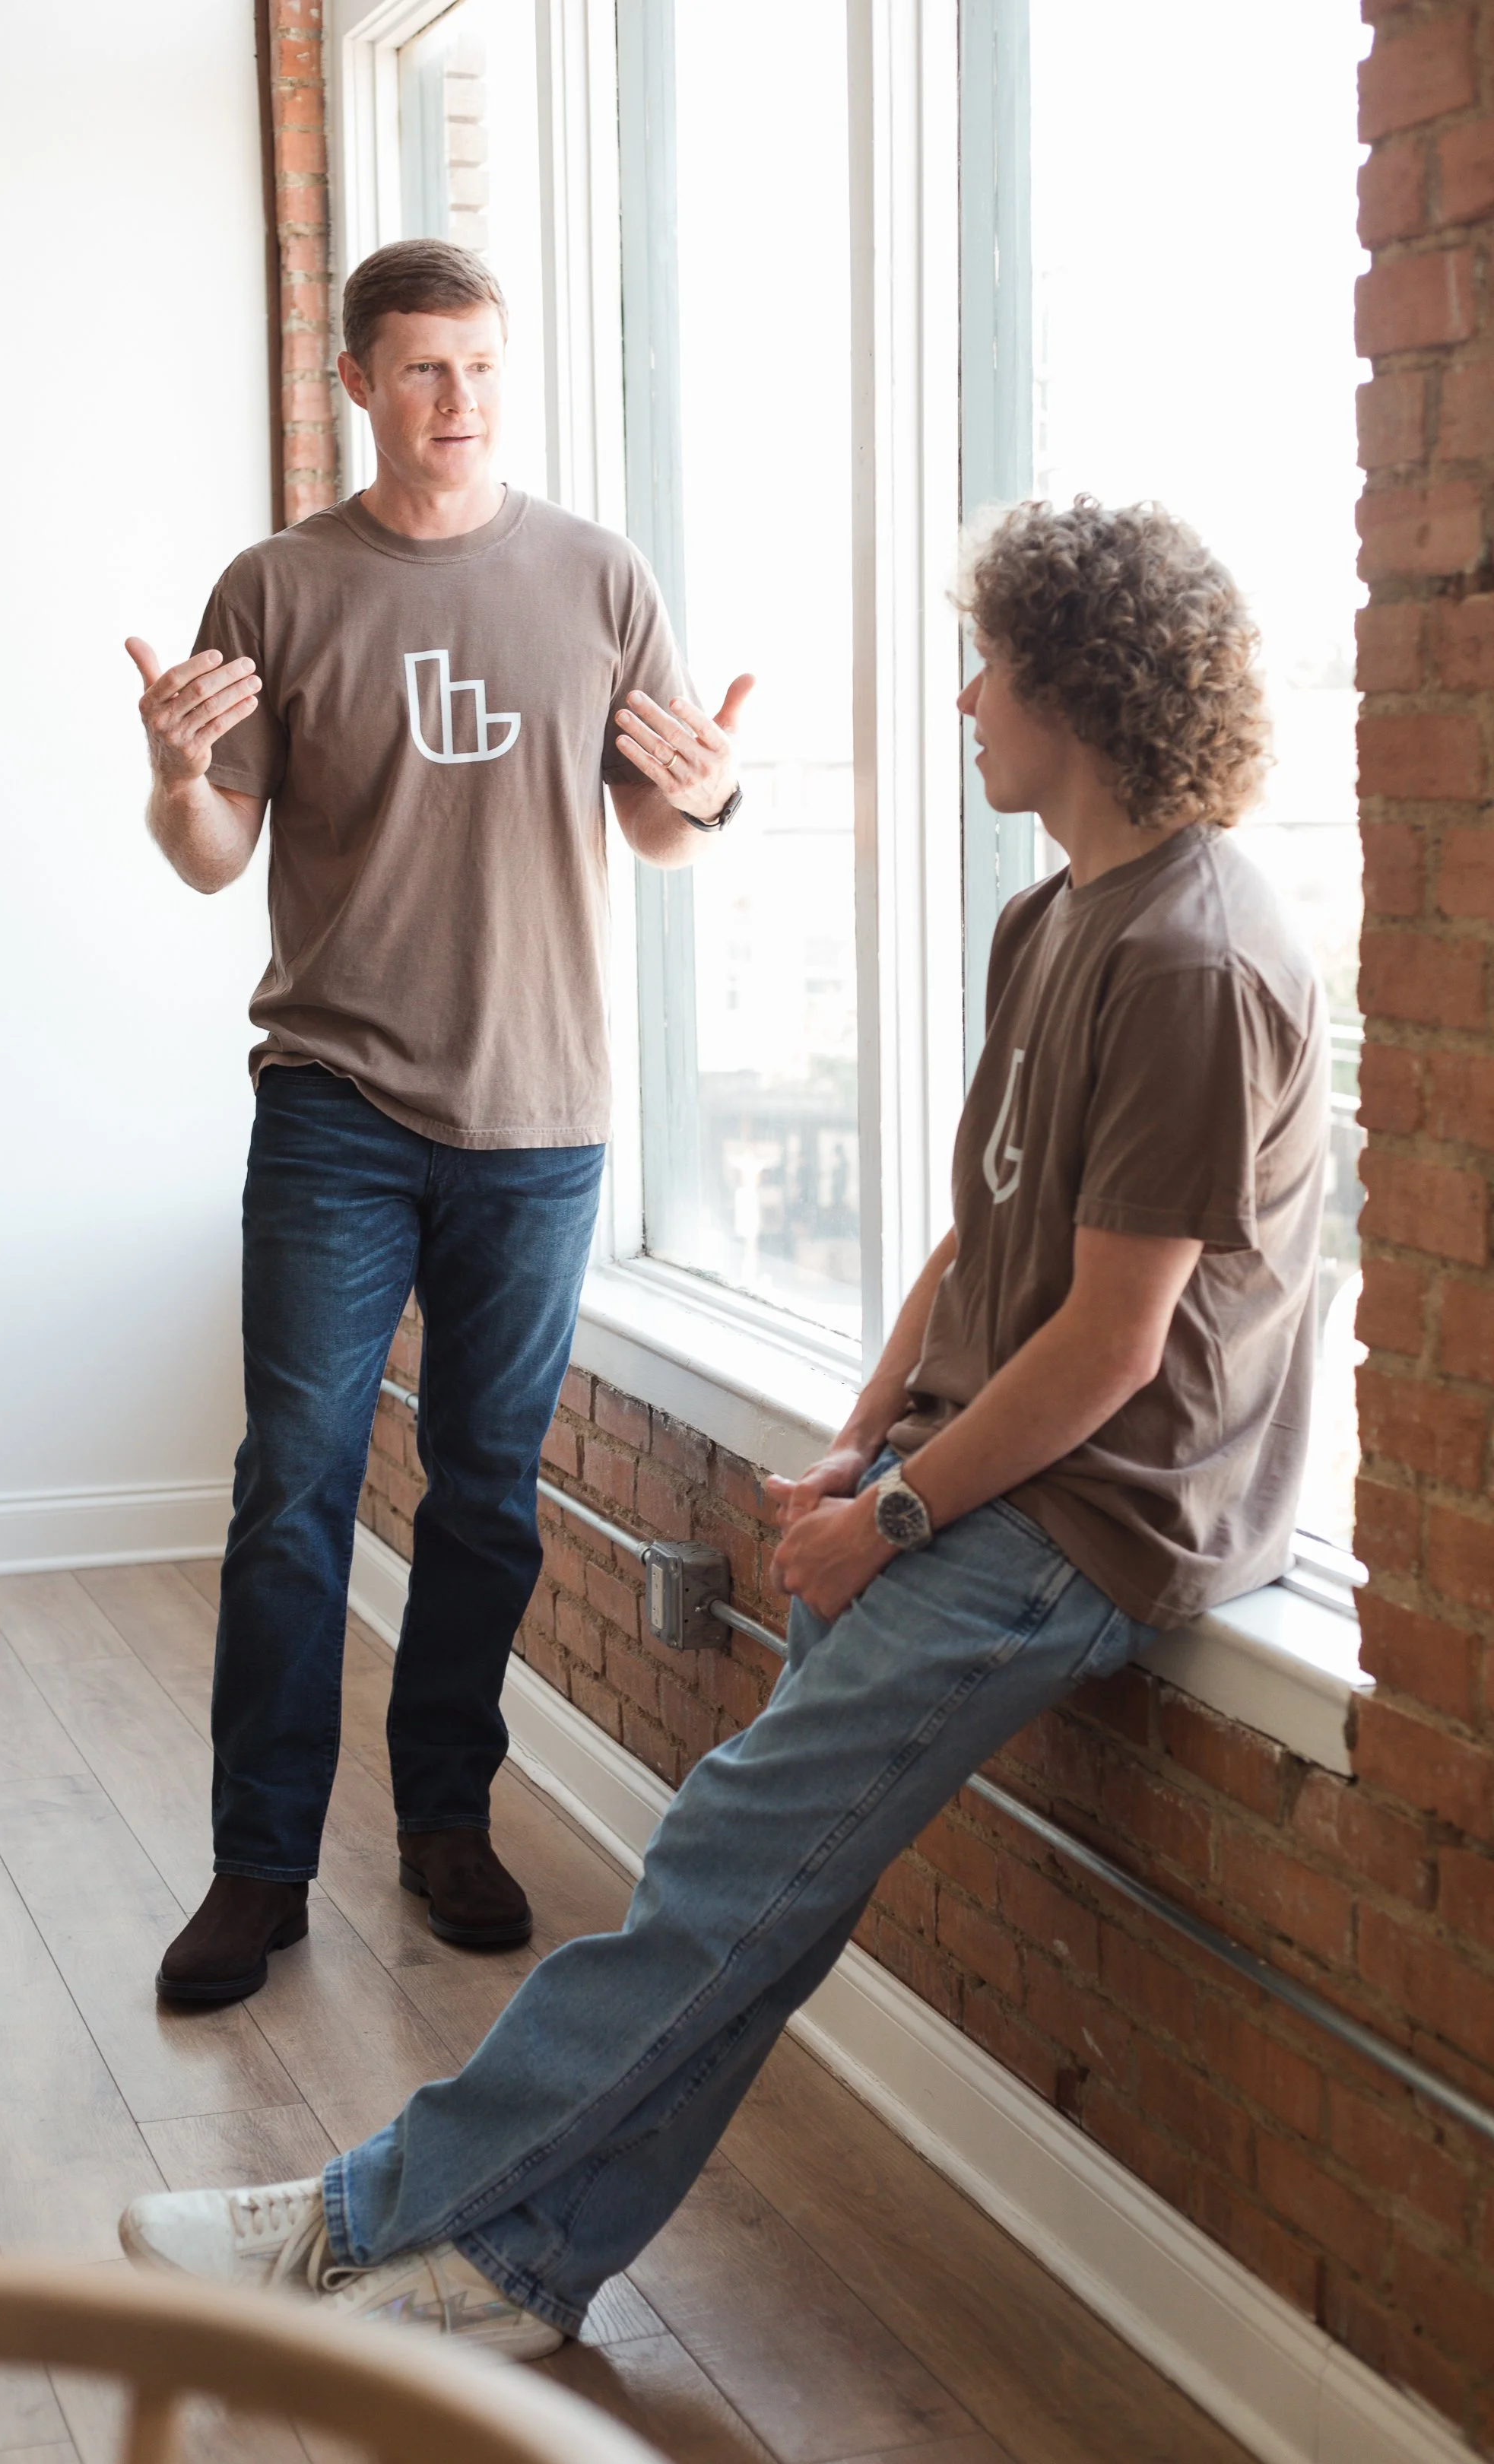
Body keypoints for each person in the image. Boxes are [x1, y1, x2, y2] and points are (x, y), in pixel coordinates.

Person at [119, 497, 1327, 2354]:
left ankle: (363, 2225)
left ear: (1075, 692)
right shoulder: (1058, 917)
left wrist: (899, 1516)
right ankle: (522, 2272)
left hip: (1094, 1520)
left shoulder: (1195, 958)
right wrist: (865, 1443)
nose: (959, 699)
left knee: (707, 1878)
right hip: (971, 1474)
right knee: (747, 1900)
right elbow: (982, 1239)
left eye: (986, 668)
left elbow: (1108, 1350)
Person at [125, 239, 752, 1999]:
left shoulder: (599, 576)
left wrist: (708, 800)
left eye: (479, 365)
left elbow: (659, 829)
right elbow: (212, 858)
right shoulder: (277, 584)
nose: (457, 401)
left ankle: (446, 1821)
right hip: (335, 1103)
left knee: (485, 1496)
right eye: (420, 369)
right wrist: (174, 775)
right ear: (358, 385)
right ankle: (258, 1869)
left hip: (541, 1116)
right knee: (295, 1491)